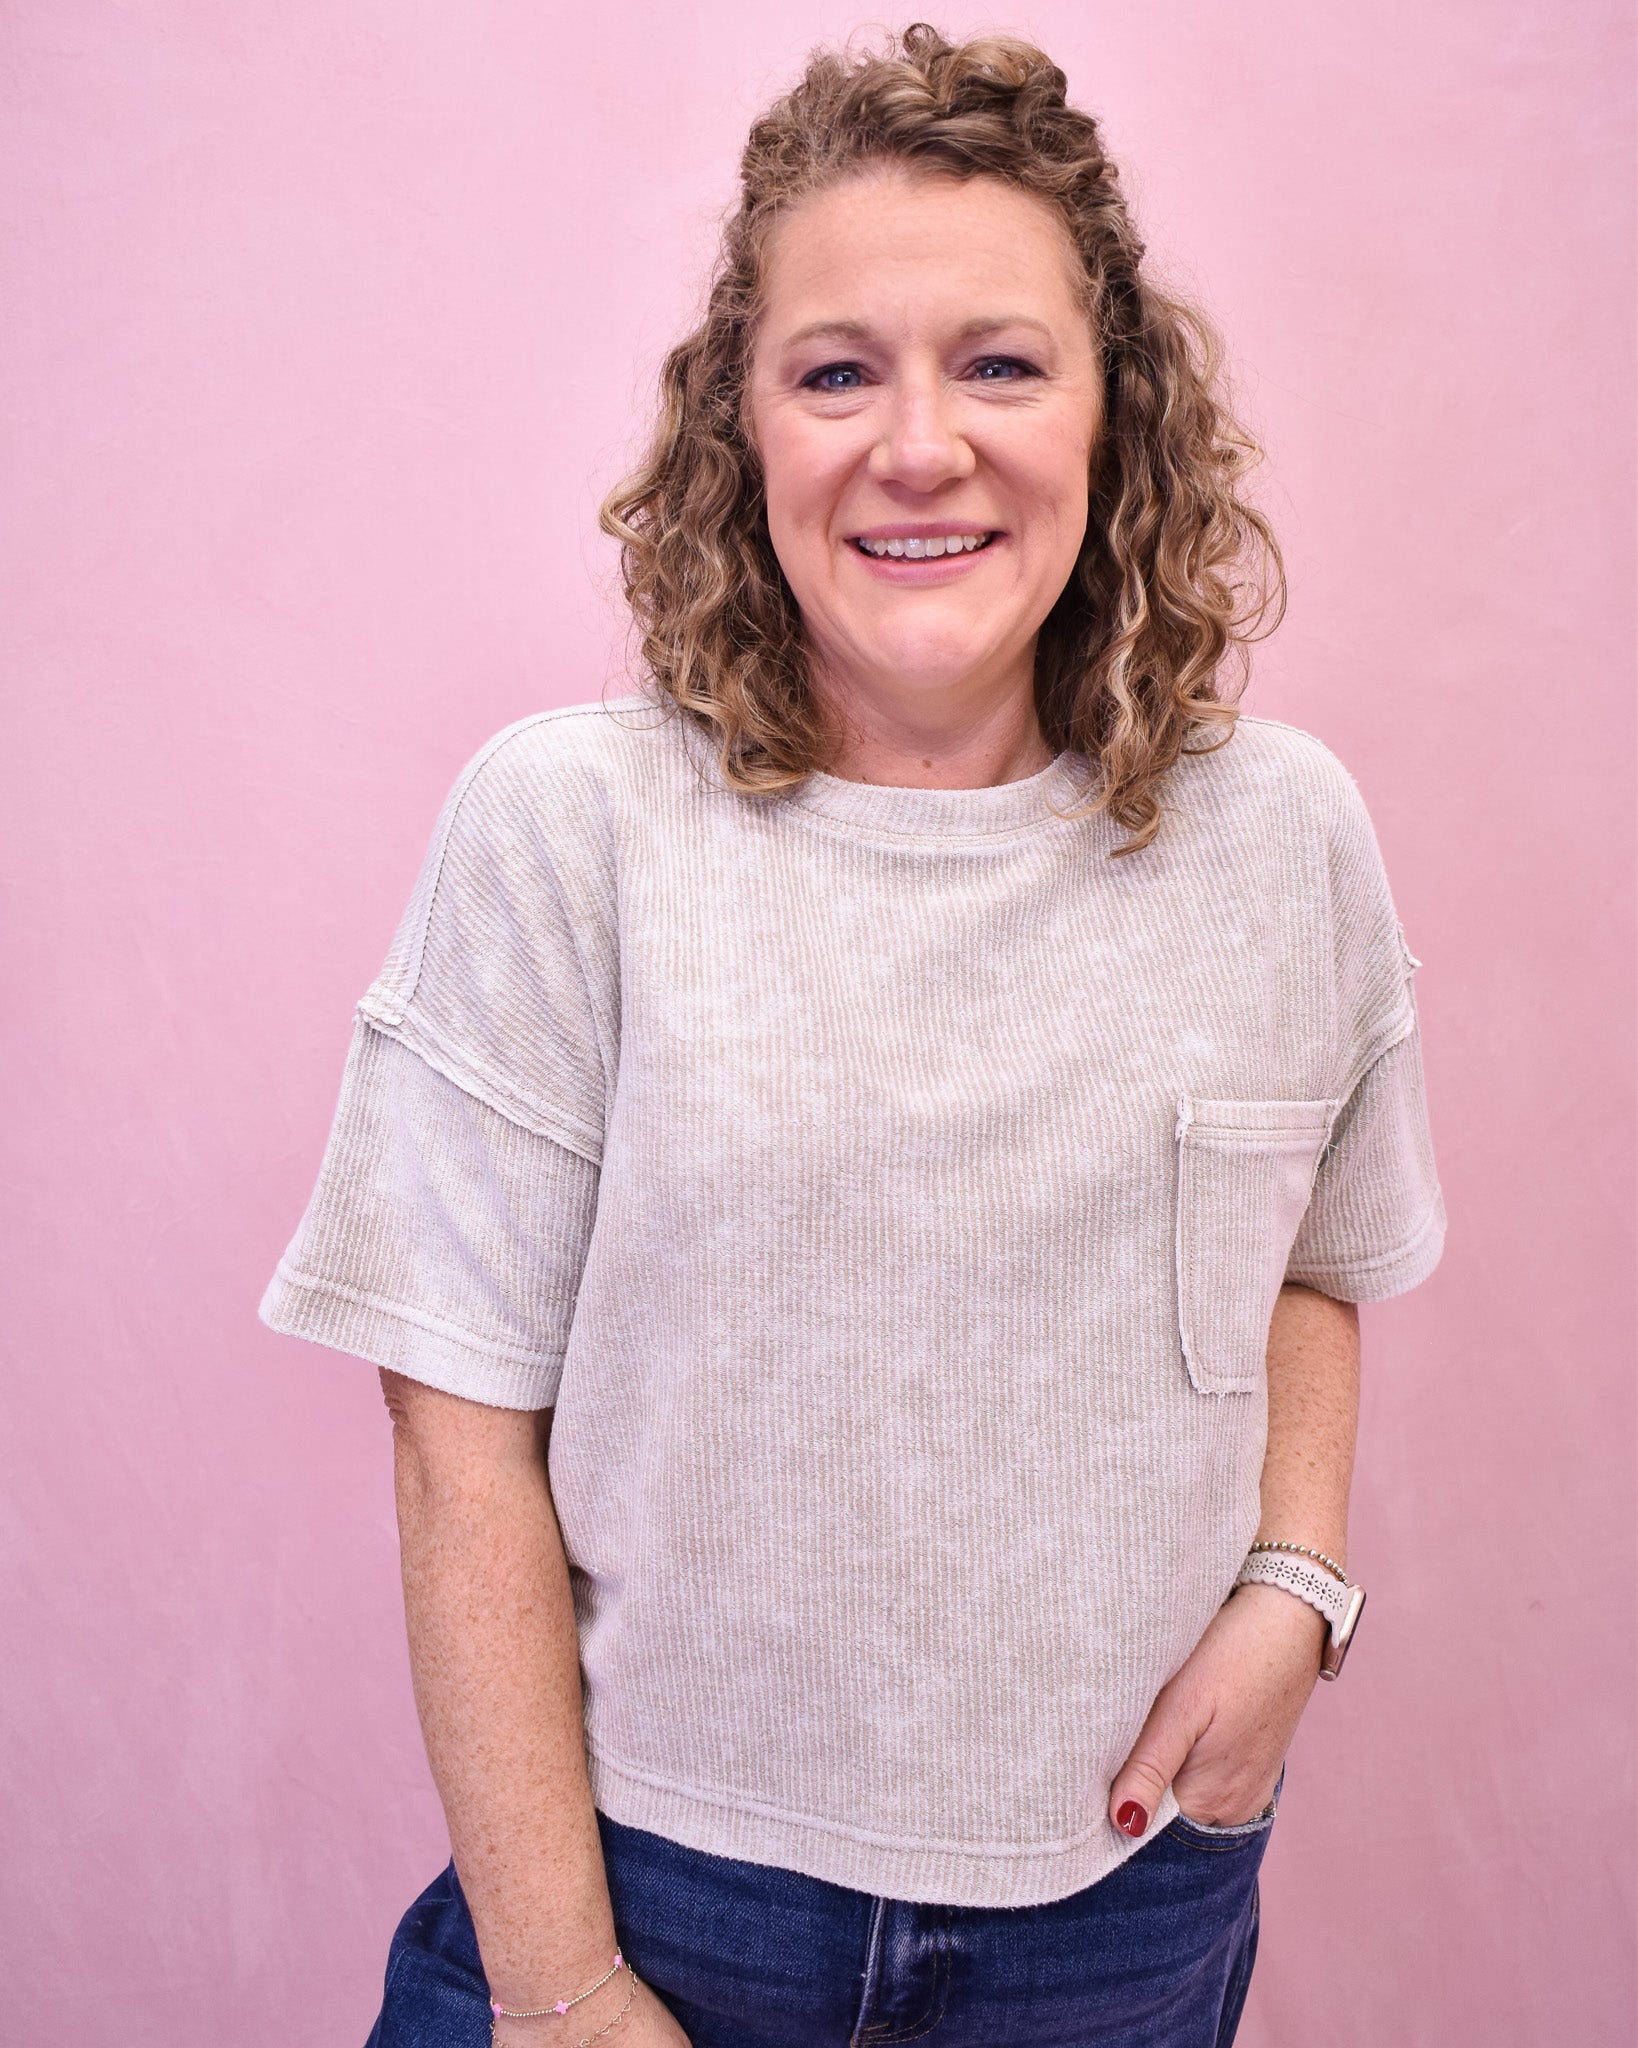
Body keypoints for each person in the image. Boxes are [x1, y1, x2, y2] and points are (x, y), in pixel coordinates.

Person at [260, 26, 1445, 2048]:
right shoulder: (576, 829)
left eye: (999, 362)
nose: (920, 444)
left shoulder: (1284, 839)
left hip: (1116, 1909)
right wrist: (557, 1988)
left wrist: (1295, 1582)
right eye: (836, 370)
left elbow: (1314, 1259)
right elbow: (458, 1436)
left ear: (1115, 417)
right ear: (742, 429)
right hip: (649, 1896)